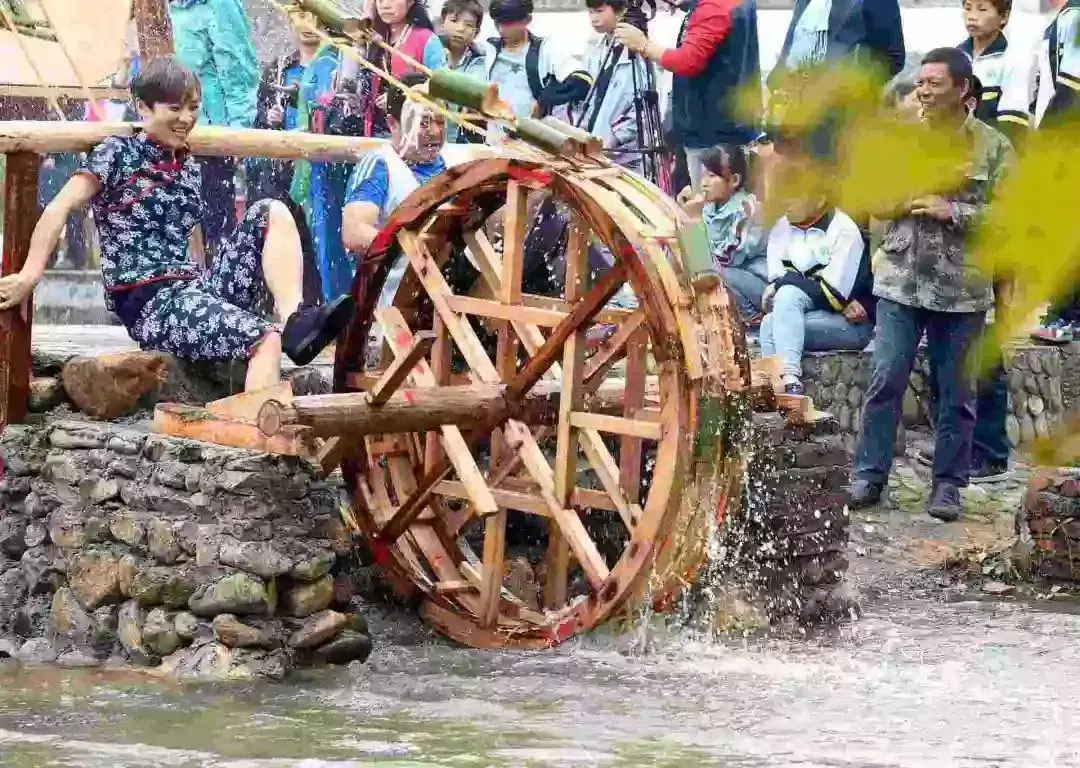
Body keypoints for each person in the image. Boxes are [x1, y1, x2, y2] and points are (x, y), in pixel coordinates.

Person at [0, 58, 354, 393]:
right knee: (264, 338)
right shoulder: (117, 155)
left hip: (193, 289)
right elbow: (60, 205)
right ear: (142, 107)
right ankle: (259, 442)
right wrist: (30, 275)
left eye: (193, 108)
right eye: (174, 109)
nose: (186, 119)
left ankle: (295, 321)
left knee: (271, 210)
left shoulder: (186, 164)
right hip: (151, 304)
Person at [850, 48, 1015, 522]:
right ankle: (870, 476)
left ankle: (947, 486)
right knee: (885, 382)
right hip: (901, 283)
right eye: (920, 82)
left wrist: (955, 211)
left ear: (963, 89)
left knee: (957, 393)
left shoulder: (994, 147)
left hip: (962, 289)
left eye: (934, 83)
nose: (923, 90)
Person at [613, 0, 762, 191]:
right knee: (727, 210)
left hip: (711, 133)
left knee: (711, 209)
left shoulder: (713, 7)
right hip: (730, 124)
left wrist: (644, 45)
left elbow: (689, 61)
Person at [758, 179, 872, 394]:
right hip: (807, 315)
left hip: (850, 325)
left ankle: (790, 378)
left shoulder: (844, 229)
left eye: (794, 195)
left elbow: (833, 295)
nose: (786, 203)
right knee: (768, 322)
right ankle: (774, 388)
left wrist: (787, 283)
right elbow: (775, 292)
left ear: (820, 199)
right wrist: (791, 285)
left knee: (786, 298)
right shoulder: (781, 227)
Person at [169, 0, 259, 247]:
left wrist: (239, 133)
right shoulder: (158, 7)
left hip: (208, 135)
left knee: (214, 227)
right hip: (166, 135)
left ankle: (219, 280)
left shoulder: (220, 4)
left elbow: (238, 69)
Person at [677, 144, 766, 324]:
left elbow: (725, 259)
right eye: (704, 174)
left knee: (717, 274)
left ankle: (749, 319)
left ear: (734, 180)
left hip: (755, 284)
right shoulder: (709, 206)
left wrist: (694, 221)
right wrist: (681, 214)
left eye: (712, 175)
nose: (704, 182)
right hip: (727, 274)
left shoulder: (747, 210)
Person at [571, 0, 657, 173]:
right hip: (593, 152)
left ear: (621, 11)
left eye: (600, 11)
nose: (594, 18)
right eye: (591, 12)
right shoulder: (595, 49)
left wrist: (613, 138)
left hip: (626, 156)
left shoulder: (640, 53)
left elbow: (643, 112)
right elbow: (587, 99)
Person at [481, 0, 593, 121]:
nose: (502, 28)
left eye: (509, 22)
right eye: (498, 22)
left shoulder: (546, 50)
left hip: (530, 130)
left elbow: (582, 79)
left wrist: (543, 101)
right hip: (492, 128)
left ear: (526, 20)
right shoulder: (487, 50)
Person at [771, 0, 905, 82]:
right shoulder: (805, 2)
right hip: (797, 113)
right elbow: (789, 49)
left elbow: (893, 58)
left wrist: (848, 89)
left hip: (845, 117)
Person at [957, 0, 1033, 143]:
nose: (972, 16)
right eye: (968, 8)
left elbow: (1012, 126)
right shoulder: (956, 57)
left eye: (982, 9)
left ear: (1004, 17)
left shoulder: (1012, 60)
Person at [438, 0, 487, 143]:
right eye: (454, 20)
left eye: (469, 25)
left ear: (476, 32)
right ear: (442, 23)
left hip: (465, 142)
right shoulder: (429, 52)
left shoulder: (483, 61)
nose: (460, 29)